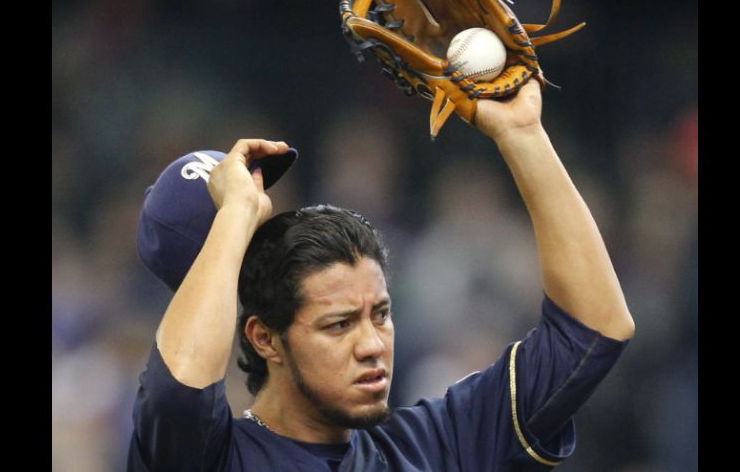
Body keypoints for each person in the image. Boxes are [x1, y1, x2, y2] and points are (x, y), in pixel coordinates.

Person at [128, 79, 635, 471]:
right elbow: (179, 385)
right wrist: (236, 213)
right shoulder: (208, 456)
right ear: (265, 338)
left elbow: (594, 328)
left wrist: (523, 135)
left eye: (382, 315)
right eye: (339, 324)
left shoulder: (442, 442)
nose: (373, 344)